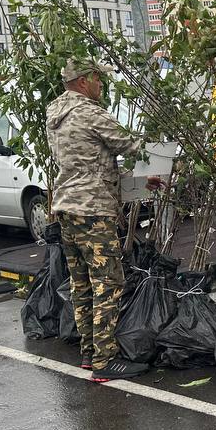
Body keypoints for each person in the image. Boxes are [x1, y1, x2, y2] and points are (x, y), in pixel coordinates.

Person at [46, 58, 145, 381]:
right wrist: (163, 157)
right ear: (85, 80)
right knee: (109, 283)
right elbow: (130, 144)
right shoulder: (89, 112)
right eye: (99, 80)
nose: (102, 86)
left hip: (66, 207)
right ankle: (105, 361)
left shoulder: (55, 113)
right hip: (93, 211)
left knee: (82, 284)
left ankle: (89, 353)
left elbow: (89, 159)